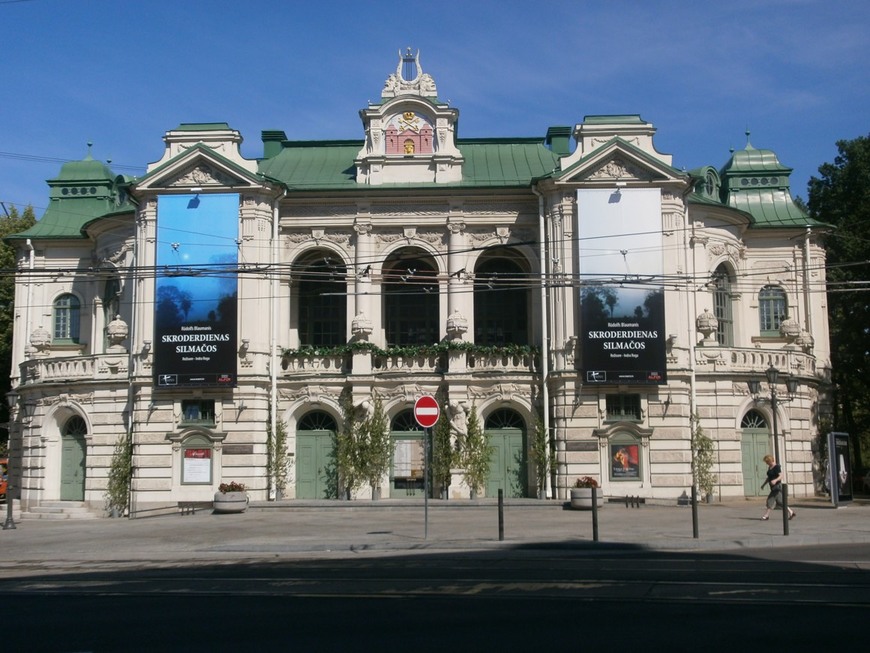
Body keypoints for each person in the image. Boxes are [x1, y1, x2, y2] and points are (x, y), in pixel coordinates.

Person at [760, 454, 795, 521]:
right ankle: (791, 512)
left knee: (770, 500)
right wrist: (764, 484)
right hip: (773, 487)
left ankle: (766, 516)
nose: (766, 463)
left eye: (767, 462)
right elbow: (769, 478)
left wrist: (775, 480)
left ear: (770, 460)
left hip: (777, 487)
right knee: (781, 502)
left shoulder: (776, 467)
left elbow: (781, 476)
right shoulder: (770, 467)